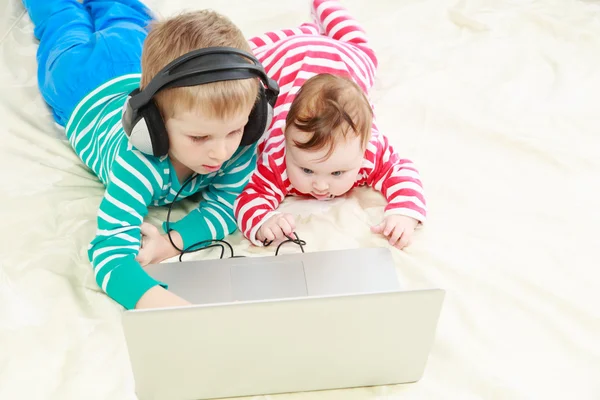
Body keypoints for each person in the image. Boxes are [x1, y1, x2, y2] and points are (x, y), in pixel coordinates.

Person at [23, 0, 277, 309]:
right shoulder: (138, 163)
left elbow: (227, 206)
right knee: (59, 15)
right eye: (199, 137)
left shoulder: (240, 142)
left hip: (133, 59)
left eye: (235, 131)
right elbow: (110, 254)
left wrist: (169, 244)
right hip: (78, 80)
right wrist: (174, 311)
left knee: (121, 7)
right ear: (152, 124)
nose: (222, 152)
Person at [234, 0, 427, 250]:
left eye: (337, 173)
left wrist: (404, 213)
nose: (321, 186)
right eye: (306, 170)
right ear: (286, 142)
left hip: (344, 60)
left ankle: (324, 6)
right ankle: (304, 31)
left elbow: (402, 171)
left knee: (363, 51)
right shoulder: (279, 158)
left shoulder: (370, 150)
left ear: (364, 149)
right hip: (286, 57)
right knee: (246, 57)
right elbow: (248, 196)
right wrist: (263, 220)